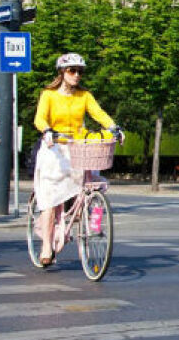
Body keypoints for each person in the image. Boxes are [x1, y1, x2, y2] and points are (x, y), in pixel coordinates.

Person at [32, 53, 119, 268]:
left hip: (78, 147)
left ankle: (91, 223)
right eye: (72, 70)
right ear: (62, 72)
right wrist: (47, 130)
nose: (77, 75)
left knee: (93, 185)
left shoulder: (84, 96)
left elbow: (99, 114)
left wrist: (113, 127)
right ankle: (46, 246)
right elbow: (40, 118)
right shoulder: (49, 95)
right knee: (51, 197)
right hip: (55, 147)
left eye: (80, 71)